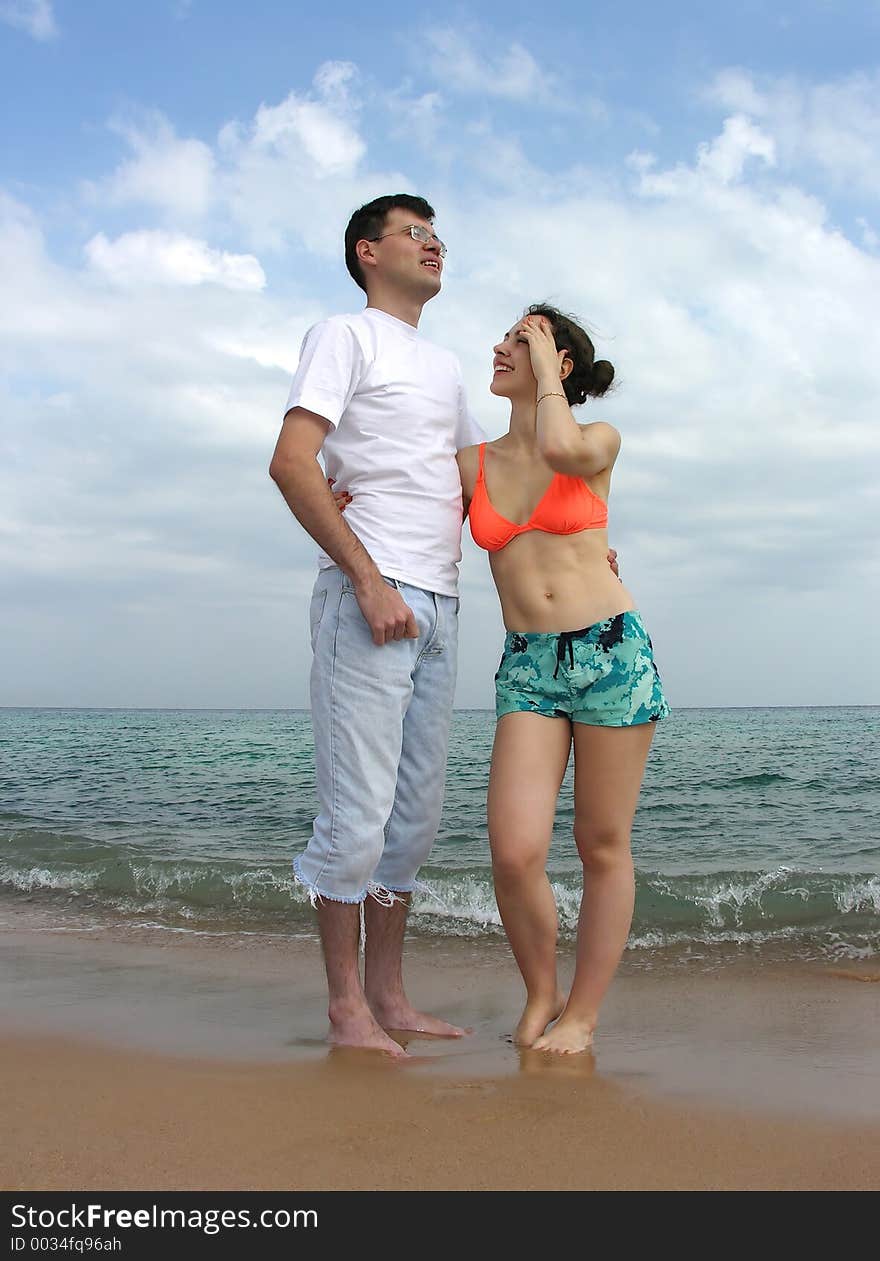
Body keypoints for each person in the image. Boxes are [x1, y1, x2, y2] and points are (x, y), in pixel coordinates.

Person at [268, 194, 486, 1056]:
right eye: (414, 233)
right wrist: (365, 578)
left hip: (441, 602)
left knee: (414, 822)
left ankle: (390, 995)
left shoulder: (444, 365)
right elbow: (292, 461)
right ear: (368, 252)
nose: (434, 245)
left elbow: (482, 484)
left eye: (437, 235)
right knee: (356, 818)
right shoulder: (343, 335)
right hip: (373, 594)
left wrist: (582, 543)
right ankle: (345, 1007)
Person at [454, 305, 670, 1054]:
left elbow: (559, 447)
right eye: (507, 336)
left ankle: (582, 1013)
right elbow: (410, 515)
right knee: (513, 850)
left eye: (521, 336)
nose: (501, 345)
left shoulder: (596, 441)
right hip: (528, 665)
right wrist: (353, 505)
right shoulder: (472, 462)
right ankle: (541, 991)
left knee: (601, 841)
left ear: (562, 363)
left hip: (611, 651)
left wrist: (546, 372)